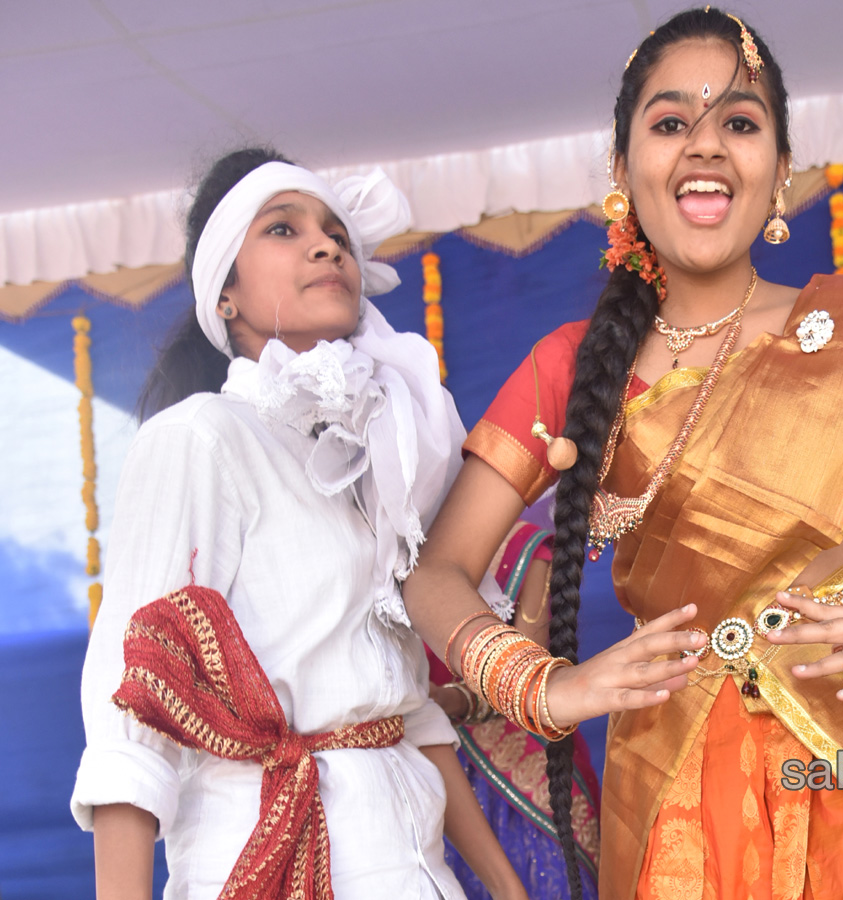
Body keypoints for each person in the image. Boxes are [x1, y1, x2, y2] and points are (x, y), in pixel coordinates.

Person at [401, 9, 843, 899]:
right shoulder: (569, 366)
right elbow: (436, 576)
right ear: (623, 172)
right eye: (669, 124)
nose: (705, 148)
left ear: (778, 171)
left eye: (739, 123)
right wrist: (547, 690)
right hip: (682, 786)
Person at [70, 149, 527, 900]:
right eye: (284, 230)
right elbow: (131, 707)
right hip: (271, 864)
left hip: (416, 869)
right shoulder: (200, 436)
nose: (326, 245)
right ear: (225, 297)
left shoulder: (371, 456)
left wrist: (503, 887)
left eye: (337, 234)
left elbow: (400, 708)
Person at [425, 519, 602, 900]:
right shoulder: (389, 548)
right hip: (422, 767)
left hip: (520, 781)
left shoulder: (527, 551)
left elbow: (524, 685)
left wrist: (441, 700)